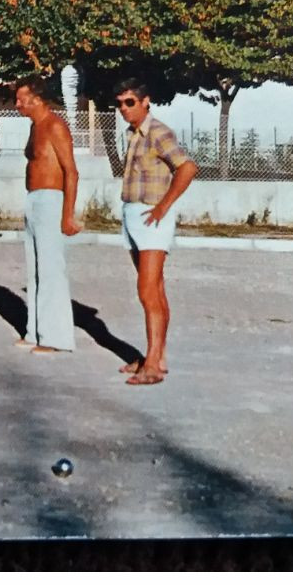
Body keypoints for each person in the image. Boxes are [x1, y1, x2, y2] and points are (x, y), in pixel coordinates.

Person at [113, 78, 198, 385]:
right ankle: (156, 357)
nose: (124, 108)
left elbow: (187, 167)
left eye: (129, 102)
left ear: (145, 101)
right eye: (120, 103)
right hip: (133, 215)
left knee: (147, 290)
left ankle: (152, 365)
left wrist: (163, 206)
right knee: (155, 289)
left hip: (151, 217)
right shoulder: (132, 134)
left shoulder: (158, 132)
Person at [13, 76, 82, 353]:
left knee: (52, 270)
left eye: (21, 98)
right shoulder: (35, 127)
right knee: (35, 271)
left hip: (52, 200)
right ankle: (36, 332)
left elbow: (71, 172)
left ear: (37, 98)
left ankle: (56, 338)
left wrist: (67, 215)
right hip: (34, 200)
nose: (17, 104)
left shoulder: (55, 126)